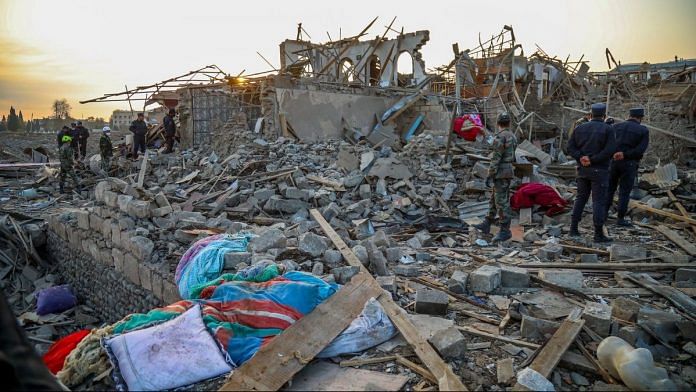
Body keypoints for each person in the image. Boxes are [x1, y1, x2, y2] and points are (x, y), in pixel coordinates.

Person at [567, 103, 616, 242]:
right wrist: (593, 160)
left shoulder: (580, 128)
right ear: (604, 116)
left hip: (583, 169)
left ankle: (573, 229)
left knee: (580, 198)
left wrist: (581, 157)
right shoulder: (608, 129)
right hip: (600, 170)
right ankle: (598, 234)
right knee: (598, 202)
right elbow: (609, 150)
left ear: (590, 115)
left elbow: (570, 147)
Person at [474, 112, 518, 242]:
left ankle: (505, 230)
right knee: (495, 198)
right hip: (508, 170)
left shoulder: (500, 137)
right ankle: (487, 223)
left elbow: (496, 158)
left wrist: (490, 174)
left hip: (500, 172)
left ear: (497, 123)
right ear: (509, 123)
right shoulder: (512, 136)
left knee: (501, 202)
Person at [606, 107, 649, 226]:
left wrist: (614, 154)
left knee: (609, 189)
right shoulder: (643, 130)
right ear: (640, 118)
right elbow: (640, 150)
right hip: (629, 163)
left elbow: (608, 144)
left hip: (613, 162)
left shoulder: (615, 127)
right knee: (624, 192)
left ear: (629, 116)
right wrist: (625, 154)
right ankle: (620, 219)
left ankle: (603, 215)